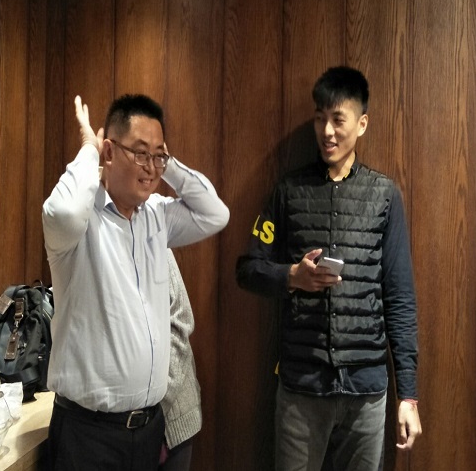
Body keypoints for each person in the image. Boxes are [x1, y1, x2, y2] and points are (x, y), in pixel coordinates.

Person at [236, 66, 422, 471]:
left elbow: (399, 298)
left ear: (362, 123)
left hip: (366, 393)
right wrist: (292, 277)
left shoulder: (385, 195)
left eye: (338, 119)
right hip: (301, 388)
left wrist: (408, 396)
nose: (327, 131)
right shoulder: (288, 191)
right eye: (320, 118)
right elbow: (248, 269)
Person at [42, 94, 229, 471]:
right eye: (140, 153)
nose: (150, 168)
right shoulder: (81, 222)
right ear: (110, 152)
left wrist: (165, 162)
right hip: (88, 434)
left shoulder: (156, 215)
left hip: (147, 431)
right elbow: (61, 211)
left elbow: (215, 214)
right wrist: (88, 149)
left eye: (158, 156)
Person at [159, 249, 202, 471]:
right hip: (122, 428)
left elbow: (180, 323)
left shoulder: (153, 241)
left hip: (171, 416)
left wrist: (153, 413)